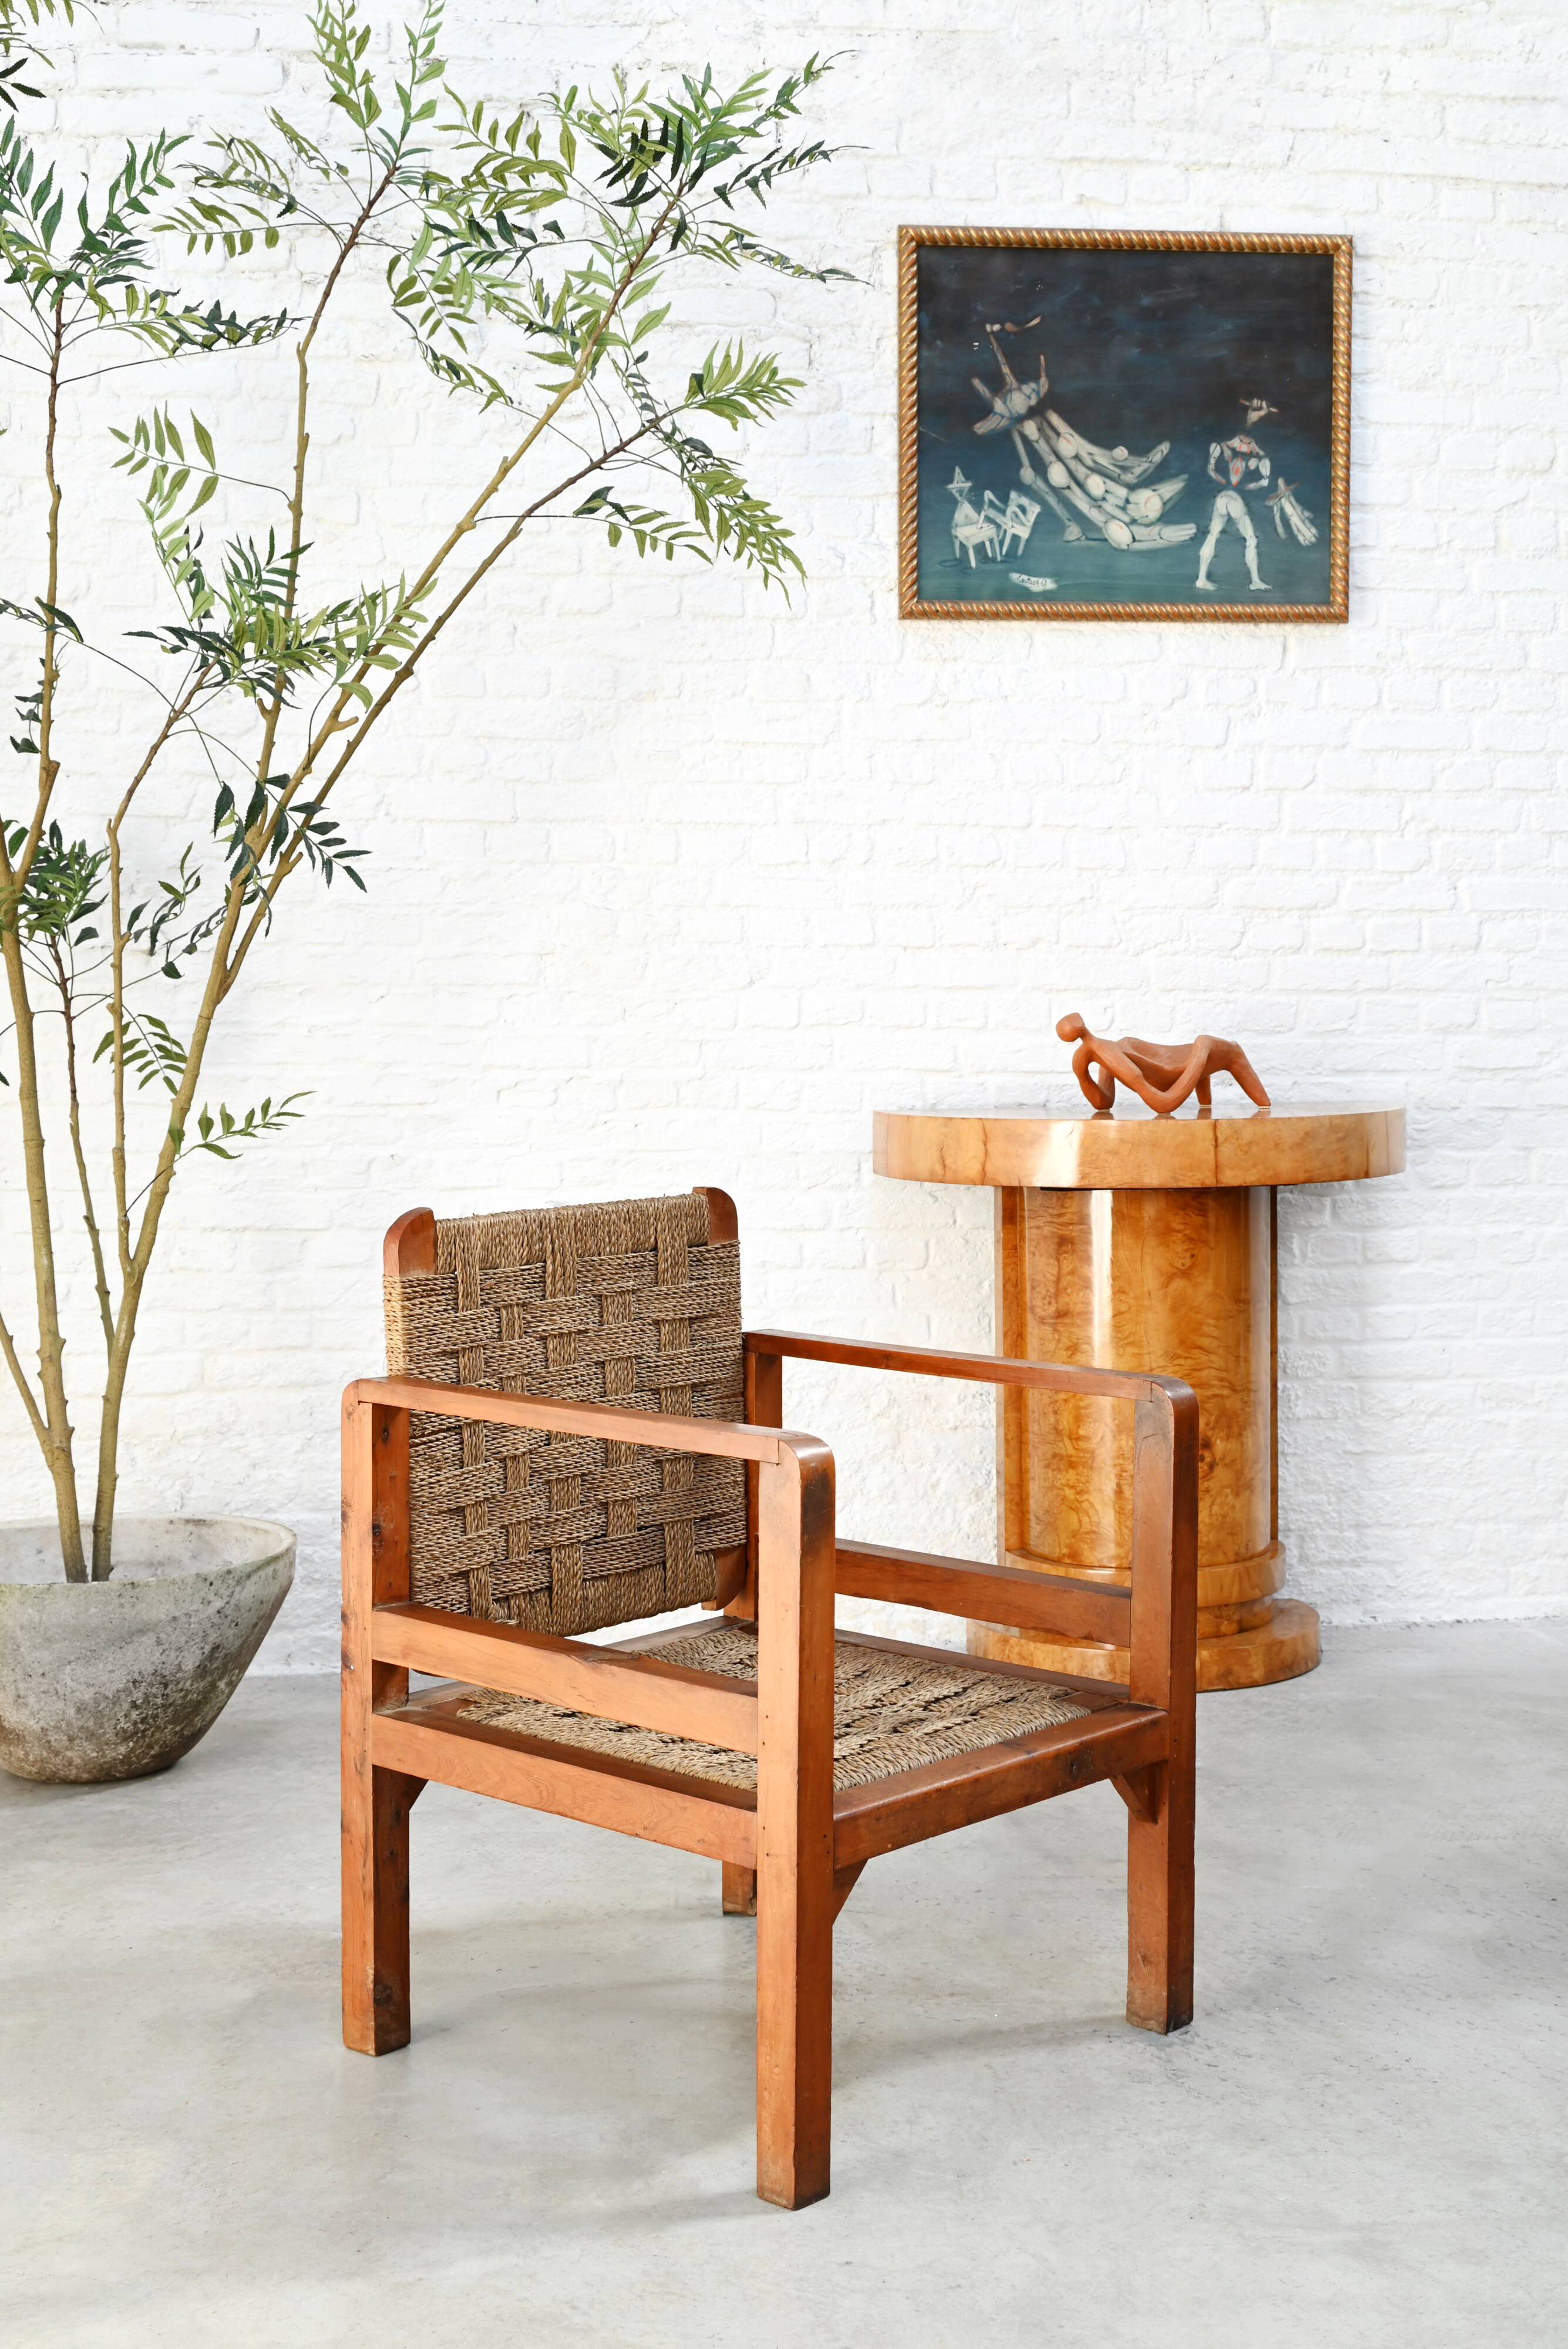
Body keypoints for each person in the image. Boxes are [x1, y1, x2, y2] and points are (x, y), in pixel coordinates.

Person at [1194, 397, 1276, 594]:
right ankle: (1255, 581)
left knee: (1213, 535)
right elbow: (1264, 482)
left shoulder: (1224, 445)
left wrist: (1222, 481)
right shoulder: (1259, 455)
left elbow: (1211, 470)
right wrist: (1248, 486)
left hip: (1222, 497)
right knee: (1251, 539)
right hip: (1235, 499)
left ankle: (1201, 578)